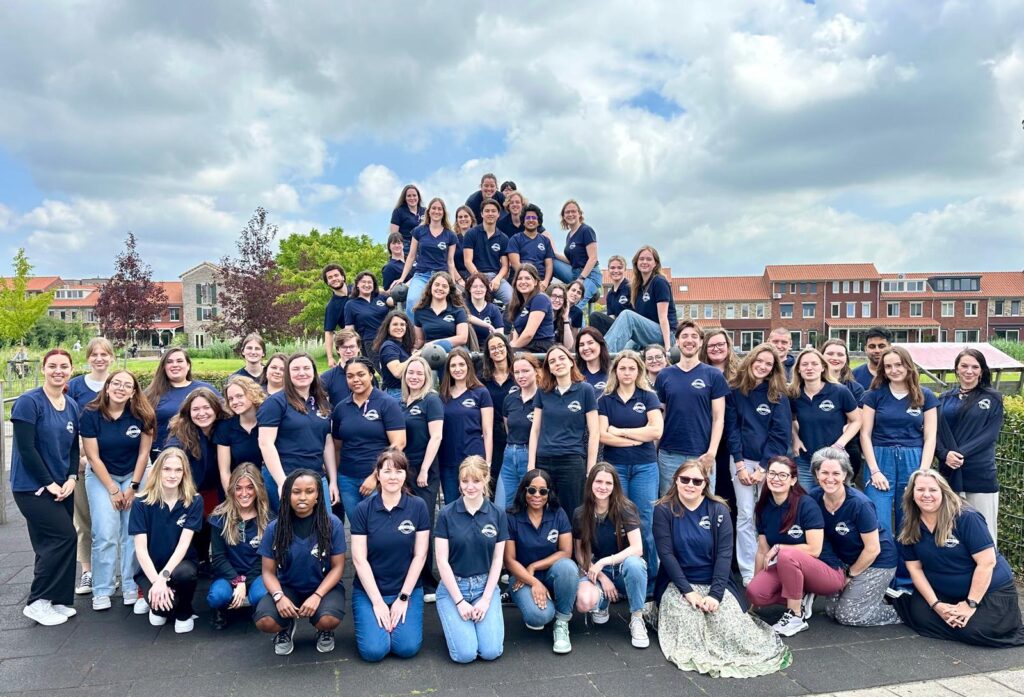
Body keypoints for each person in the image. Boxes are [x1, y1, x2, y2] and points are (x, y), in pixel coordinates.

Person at [653, 460, 791, 678]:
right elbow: (666, 555)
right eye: (685, 479)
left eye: (697, 481)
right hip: (679, 583)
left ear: (705, 483)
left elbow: (724, 556)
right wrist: (688, 592)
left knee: (730, 628)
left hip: (716, 582)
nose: (690, 484)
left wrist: (716, 595)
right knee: (690, 624)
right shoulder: (663, 510)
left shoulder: (719, 510)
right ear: (676, 480)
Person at [892, 469, 1024, 647]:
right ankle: (955, 619)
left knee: (978, 630)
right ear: (911, 494)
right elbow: (914, 569)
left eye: (932, 490)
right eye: (920, 490)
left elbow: (987, 562)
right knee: (920, 617)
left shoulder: (966, 517)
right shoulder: (908, 524)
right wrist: (936, 605)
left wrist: (970, 604)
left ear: (943, 492)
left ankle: (964, 621)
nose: (926, 495)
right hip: (943, 592)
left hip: (988, 591)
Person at [11, 349, 81, 627]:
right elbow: (26, 449)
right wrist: (49, 483)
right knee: (64, 537)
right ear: (43, 368)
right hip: (32, 487)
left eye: (64, 366)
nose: (58, 371)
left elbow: (73, 448)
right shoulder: (29, 402)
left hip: (63, 485)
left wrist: (72, 478)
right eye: (52, 366)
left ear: (71, 369)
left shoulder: (71, 405)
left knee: (47, 543)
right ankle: (37, 601)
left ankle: (56, 600)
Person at [746, 456, 846, 637]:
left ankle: (795, 616)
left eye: (783, 475)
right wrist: (754, 596)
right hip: (791, 567)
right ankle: (800, 597)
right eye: (772, 473)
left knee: (786, 554)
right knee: (755, 592)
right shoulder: (763, 507)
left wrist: (778, 547)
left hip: (827, 572)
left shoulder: (806, 504)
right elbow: (762, 551)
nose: (776, 479)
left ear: (793, 480)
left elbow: (815, 550)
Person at [80, 369, 154, 610]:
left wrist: (133, 486)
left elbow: (144, 453)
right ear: (108, 386)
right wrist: (112, 489)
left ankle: (132, 584)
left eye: (127, 385)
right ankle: (102, 588)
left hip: (135, 474)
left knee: (134, 533)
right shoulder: (91, 414)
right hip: (103, 476)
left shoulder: (143, 414)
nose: (121, 388)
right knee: (105, 532)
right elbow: (92, 456)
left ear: (133, 392)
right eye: (116, 383)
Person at [255, 469, 347, 655]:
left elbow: (338, 567)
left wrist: (318, 596)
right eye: (296, 492)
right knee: (265, 621)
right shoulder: (275, 528)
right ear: (286, 494)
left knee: (328, 619)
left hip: (323, 587)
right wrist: (279, 597)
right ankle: (285, 627)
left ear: (318, 495)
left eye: (309, 491)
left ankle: (323, 629)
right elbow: (268, 572)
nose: (302, 497)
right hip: (289, 587)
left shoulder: (332, 524)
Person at [350, 449, 431, 661]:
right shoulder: (363, 509)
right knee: (374, 651)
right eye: (387, 471)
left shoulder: (418, 506)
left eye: (398, 471)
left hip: (406, 589)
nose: (393, 477)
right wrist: (377, 602)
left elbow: (420, 556)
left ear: (405, 475)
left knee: (407, 648)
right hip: (371, 591)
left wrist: (403, 598)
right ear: (377, 475)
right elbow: (359, 559)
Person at [809, 447, 901, 627]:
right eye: (824, 472)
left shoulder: (860, 504)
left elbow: (873, 549)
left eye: (836, 473)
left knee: (849, 615)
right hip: (846, 561)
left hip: (877, 561)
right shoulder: (813, 498)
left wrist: (849, 575)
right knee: (832, 611)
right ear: (816, 474)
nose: (830, 478)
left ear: (845, 475)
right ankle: (874, 598)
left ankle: (903, 610)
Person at [726, 344, 792, 586]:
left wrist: (763, 468)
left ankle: (770, 565)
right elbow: (731, 429)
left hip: (769, 465)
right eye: (759, 361)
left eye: (769, 364)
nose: (763, 366)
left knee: (766, 514)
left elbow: (780, 434)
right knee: (744, 514)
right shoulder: (735, 391)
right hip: (741, 462)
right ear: (751, 360)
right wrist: (741, 465)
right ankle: (748, 571)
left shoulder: (778, 395)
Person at [861, 345, 938, 545]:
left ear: (908, 366)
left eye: (898, 364)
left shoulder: (925, 396)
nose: (894, 370)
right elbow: (865, 434)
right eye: (888, 366)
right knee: (879, 520)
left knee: (909, 519)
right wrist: (874, 470)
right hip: (880, 459)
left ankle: (907, 574)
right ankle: (884, 572)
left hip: (914, 459)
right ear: (883, 370)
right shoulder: (874, 395)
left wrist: (923, 472)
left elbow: (930, 437)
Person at [598, 351, 663, 586]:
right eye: (622, 368)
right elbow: (603, 435)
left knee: (645, 520)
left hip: (645, 466)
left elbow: (656, 431)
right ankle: (622, 578)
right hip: (616, 469)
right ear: (615, 371)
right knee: (620, 521)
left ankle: (652, 579)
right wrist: (638, 436)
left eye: (631, 368)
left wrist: (622, 432)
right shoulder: (605, 400)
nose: (627, 373)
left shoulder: (648, 397)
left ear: (639, 371)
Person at [434, 456, 508, 663]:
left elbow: (497, 560)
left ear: (486, 480)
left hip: (485, 586)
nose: (470, 486)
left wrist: (485, 600)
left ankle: (470, 625)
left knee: (491, 652)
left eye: (476, 480)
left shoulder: (497, 514)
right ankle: (456, 623)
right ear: (459, 482)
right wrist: (459, 602)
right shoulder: (447, 514)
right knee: (465, 655)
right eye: (465, 481)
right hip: (454, 588)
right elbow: (442, 561)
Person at [573, 463, 649, 648]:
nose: (603, 487)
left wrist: (606, 562)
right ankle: (603, 600)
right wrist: (600, 575)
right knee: (583, 602)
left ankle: (637, 618)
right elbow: (580, 553)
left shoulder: (626, 508)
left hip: (623, 568)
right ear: (590, 483)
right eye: (598, 481)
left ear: (615, 486)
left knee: (635, 564)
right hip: (597, 570)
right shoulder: (580, 513)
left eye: (608, 483)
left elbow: (637, 548)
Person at [129, 448, 203, 633]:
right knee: (160, 615)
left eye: (178, 470)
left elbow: (183, 545)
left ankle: (185, 612)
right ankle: (164, 605)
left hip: (180, 565)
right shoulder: (141, 503)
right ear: (158, 471)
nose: (172, 475)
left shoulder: (193, 501)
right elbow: (141, 550)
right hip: (150, 570)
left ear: (185, 473)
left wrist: (164, 578)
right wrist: (157, 581)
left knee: (185, 574)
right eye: (167, 469)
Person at [504, 469, 578, 654]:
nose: (537, 495)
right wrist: (534, 582)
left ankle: (561, 622)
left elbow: (566, 552)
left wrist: (534, 566)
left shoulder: (558, 513)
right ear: (524, 491)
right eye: (532, 490)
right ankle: (541, 606)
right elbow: (509, 560)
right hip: (522, 577)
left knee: (568, 568)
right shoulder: (511, 516)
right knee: (539, 617)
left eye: (543, 491)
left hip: (549, 573)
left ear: (549, 493)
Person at [937, 349, 1004, 543]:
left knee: (985, 529)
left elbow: (989, 435)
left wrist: (957, 454)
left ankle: (990, 572)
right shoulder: (943, 399)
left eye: (975, 367)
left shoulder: (993, 398)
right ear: (956, 369)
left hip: (979, 474)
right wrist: (944, 454)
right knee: (952, 531)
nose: (969, 371)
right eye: (964, 366)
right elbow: (935, 434)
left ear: (982, 371)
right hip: (949, 472)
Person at [257, 353, 338, 513]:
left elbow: (327, 444)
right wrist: (282, 483)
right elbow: (265, 443)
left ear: (314, 372)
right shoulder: (275, 403)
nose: (302, 373)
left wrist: (332, 481)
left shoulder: (322, 403)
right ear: (288, 374)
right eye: (295, 369)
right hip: (285, 477)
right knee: (285, 532)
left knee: (323, 530)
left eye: (306, 368)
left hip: (316, 478)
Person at [655, 322, 728, 495]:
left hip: (702, 455)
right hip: (669, 455)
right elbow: (660, 416)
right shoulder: (664, 375)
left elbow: (719, 419)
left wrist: (711, 453)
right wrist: (653, 450)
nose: (689, 340)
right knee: (670, 506)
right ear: (677, 341)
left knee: (704, 507)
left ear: (701, 342)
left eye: (694, 336)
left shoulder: (713, 375)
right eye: (685, 336)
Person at [66, 337, 114, 596]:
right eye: (94, 354)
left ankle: (110, 572)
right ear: (87, 358)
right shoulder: (75, 387)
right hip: (84, 462)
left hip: (114, 464)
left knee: (111, 523)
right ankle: (88, 571)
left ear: (111, 357)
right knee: (84, 520)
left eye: (104, 354)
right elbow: (68, 422)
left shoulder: (117, 383)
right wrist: (81, 456)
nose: (99, 358)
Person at [529, 345, 599, 518]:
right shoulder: (542, 392)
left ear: (570, 362)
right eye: (552, 361)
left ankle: (573, 547)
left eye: (561, 358)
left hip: (572, 461)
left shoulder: (585, 390)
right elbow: (535, 430)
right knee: (544, 513)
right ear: (549, 369)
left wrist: (590, 469)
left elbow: (595, 432)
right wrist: (531, 465)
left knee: (572, 513)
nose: (557, 363)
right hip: (544, 460)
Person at [332, 357, 406, 518]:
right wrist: (335, 478)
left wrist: (375, 476)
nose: (355, 380)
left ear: (371, 375)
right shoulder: (341, 408)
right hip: (347, 479)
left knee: (379, 527)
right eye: (350, 376)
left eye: (361, 374)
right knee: (357, 528)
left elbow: (399, 443)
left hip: (379, 480)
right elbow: (336, 447)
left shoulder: (387, 403)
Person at [207, 463, 273, 629]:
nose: (244, 493)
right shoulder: (219, 517)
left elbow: (265, 558)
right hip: (228, 575)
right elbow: (218, 557)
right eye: (239, 488)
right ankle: (220, 610)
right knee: (217, 596)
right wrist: (237, 581)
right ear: (232, 490)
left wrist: (244, 582)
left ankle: (256, 605)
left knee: (261, 594)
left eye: (250, 488)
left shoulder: (269, 519)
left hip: (258, 574)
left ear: (258, 489)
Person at [400, 356, 445, 594]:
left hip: (423, 471)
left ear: (427, 376)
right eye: (410, 373)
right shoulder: (402, 402)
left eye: (419, 373)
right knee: (405, 524)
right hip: (403, 472)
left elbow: (436, 436)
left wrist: (425, 469)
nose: (414, 377)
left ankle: (427, 580)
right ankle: (410, 575)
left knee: (423, 523)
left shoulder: (431, 401)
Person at [790, 347, 861, 491]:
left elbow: (857, 420)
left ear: (823, 367)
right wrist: (795, 438)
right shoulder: (793, 394)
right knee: (807, 501)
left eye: (814, 364)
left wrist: (840, 444)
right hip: (805, 459)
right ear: (798, 369)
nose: (809, 368)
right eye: (804, 364)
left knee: (836, 500)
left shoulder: (839, 391)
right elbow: (790, 419)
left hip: (833, 460)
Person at [438, 349, 493, 503]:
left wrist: (487, 463)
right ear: (448, 369)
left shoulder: (481, 392)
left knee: (476, 505)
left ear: (469, 366)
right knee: (452, 505)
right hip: (448, 460)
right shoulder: (443, 395)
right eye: (453, 365)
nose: (457, 369)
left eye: (461, 364)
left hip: (473, 458)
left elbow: (487, 431)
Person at [144, 347, 218, 460]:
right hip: (163, 456)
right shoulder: (151, 394)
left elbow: (224, 415)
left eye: (179, 361)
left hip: (203, 455)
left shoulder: (205, 389)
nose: (174, 365)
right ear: (164, 367)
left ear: (188, 365)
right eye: (169, 362)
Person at [393, 197, 461, 317]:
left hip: (441, 277)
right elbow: (411, 256)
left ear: (444, 212)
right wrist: (402, 278)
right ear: (428, 211)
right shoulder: (419, 231)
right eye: (434, 208)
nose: (436, 211)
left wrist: (453, 283)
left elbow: (450, 261)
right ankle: (413, 334)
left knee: (449, 305)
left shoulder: (450, 235)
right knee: (412, 301)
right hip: (422, 275)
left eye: (440, 209)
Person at [604, 246, 677, 353]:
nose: (644, 262)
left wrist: (668, 349)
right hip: (646, 334)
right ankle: (604, 356)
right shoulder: (637, 287)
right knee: (625, 353)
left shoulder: (659, 282)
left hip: (665, 335)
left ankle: (602, 356)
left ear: (655, 263)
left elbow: (663, 318)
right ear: (636, 262)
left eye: (649, 259)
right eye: (641, 259)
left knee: (627, 315)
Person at [700, 328, 739, 516]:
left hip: (732, 441)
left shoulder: (740, 374)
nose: (716, 348)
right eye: (711, 345)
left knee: (728, 494)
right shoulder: (698, 372)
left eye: (720, 344)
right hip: (706, 439)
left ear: (728, 346)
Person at [497, 353, 541, 509]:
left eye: (525, 371)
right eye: (517, 372)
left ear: (536, 371)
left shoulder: (544, 398)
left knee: (531, 505)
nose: (521, 376)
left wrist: (532, 462)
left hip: (530, 454)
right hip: (509, 455)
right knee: (502, 506)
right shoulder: (510, 399)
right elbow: (509, 428)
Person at [821, 338, 866, 480]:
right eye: (830, 354)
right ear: (821, 356)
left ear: (846, 359)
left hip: (846, 449)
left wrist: (838, 445)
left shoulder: (855, 388)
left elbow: (855, 421)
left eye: (840, 354)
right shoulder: (811, 385)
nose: (835, 358)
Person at [215, 375, 265, 494]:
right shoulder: (225, 428)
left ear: (253, 395)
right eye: (230, 399)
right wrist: (233, 500)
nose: (235, 402)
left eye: (239, 396)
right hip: (239, 490)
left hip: (267, 486)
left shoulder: (268, 423)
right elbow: (225, 471)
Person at [552, 199, 601, 309]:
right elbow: (571, 261)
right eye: (567, 212)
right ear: (563, 216)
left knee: (575, 305)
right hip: (574, 273)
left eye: (573, 211)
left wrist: (581, 279)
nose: (570, 214)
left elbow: (593, 258)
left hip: (589, 275)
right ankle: (547, 289)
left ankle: (579, 326)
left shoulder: (586, 230)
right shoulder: (569, 235)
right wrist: (554, 254)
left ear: (579, 214)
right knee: (552, 261)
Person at [481, 332, 515, 489]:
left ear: (507, 348)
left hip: (515, 433)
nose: (497, 350)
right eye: (492, 348)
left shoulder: (518, 375)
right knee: (493, 479)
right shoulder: (483, 379)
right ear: (488, 353)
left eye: (500, 346)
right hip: (492, 435)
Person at [463, 198, 512, 306]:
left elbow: (505, 266)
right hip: (474, 275)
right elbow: (467, 261)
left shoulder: (503, 238)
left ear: (498, 214)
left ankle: (502, 323)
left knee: (512, 301)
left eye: (493, 211)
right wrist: (480, 279)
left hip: (495, 277)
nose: (490, 213)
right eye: (487, 211)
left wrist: (498, 279)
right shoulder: (471, 234)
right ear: (481, 214)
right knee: (470, 304)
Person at [413, 271, 470, 354]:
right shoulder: (420, 311)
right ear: (430, 287)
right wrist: (413, 350)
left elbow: (462, 338)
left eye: (444, 286)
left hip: (454, 352)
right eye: (436, 285)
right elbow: (420, 340)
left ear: (449, 290)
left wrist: (435, 343)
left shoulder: (458, 310)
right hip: (430, 353)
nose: (440, 288)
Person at [344, 271, 394, 360]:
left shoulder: (381, 297)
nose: (367, 285)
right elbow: (349, 329)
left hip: (389, 338)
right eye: (363, 282)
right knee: (384, 369)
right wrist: (350, 347)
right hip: (370, 341)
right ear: (357, 285)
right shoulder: (351, 304)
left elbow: (394, 301)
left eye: (370, 282)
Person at [507, 263, 556, 352]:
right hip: (524, 347)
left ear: (535, 282)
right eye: (519, 279)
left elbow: (528, 334)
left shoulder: (540, 298)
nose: (523, 282)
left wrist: (512, 350)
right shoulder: (518, 304)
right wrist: (512, 345)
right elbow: (516, 334)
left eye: (527, 278)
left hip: (540, 347)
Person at [507, 203, 554, 290]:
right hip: (521, 281)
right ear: (523, 221)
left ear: (539, 221)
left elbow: (549, 265)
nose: (531, 220)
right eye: (528, 218)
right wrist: (531, 281)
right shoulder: (515, 239)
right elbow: (515, 264)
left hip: (541, 282)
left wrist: (546, 282)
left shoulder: (545, 240)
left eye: (534, 218)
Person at [373, 310, 415, 400]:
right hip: (395, 394)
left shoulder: (402, 346)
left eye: (402, 324)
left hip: (406, 392)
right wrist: (415, 357)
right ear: (388, 328)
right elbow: (397, 372)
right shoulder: (388, 346)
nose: (399, 327)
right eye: (395, 324)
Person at [588, 255, 631, 335]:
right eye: (612, 268)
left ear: (625, 269)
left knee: (594, 316)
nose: (616, 270)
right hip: (617, 329)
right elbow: (611, 318)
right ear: (608, 270)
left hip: (629, 328)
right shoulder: (610, 295)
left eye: (619, 267)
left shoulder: (630, 288)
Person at [319, 330, 362, 406]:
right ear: (338, 350)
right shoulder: (326, 378)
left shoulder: (368, 376)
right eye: (344, 347)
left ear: (358, 348)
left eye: (352, 346)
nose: (348, 351)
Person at [465, 273, 505, 348]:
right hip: (468, 348)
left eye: (482, 286)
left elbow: (500, 334)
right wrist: (488, 325)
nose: (478, 290)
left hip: (488, 349)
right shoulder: (463, 306)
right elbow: (466, 316)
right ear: (469, 289)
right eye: (474, 287)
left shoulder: (493, 309)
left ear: (486, 289)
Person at [322, 264, 350, 369]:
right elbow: (328, 332)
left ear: (342, 277)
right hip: (358, 343)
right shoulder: (332, 307)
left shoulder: (357, 289)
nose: (334, 279)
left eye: (336, 275)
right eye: (330, 277)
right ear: (327, 282)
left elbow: (374, 290)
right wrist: (330, 357)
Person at [852, 326, 892, 391]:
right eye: (872, 346)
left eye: (881, 346)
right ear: (865, 349)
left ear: (890, 347)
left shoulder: (898, 374)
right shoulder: (854, 376)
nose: (877, 350)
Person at [390, 184, 425, 256]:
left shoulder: (425, 211)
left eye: (414, 195)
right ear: (405, 198)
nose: (412, 198)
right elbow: (394, 235)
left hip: (422, 247)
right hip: (406, 247)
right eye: (409, 196)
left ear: (418, 197)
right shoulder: (398, 211)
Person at [576, 327, 610, 392]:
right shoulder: (574, 374)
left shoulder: (613, 372)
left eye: (590, 343)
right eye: (581, 345)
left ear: (600, 344)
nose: (585, 348)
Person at [548, 283, 577, 348]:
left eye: (561, 297)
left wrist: (565, 318)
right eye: (554, 296)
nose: (557, 300)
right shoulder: (540, 316)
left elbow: (568, 346)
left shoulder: (564, 319)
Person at [450, 204, 474, 282]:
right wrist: (459, 280)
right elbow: (449, 262)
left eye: (466, 216)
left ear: (471, 219)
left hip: (476, 275)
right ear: (457, 220)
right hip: (458, 277)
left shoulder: (478, 237)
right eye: (460, 217)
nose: (463, 219)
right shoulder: (452, 239)